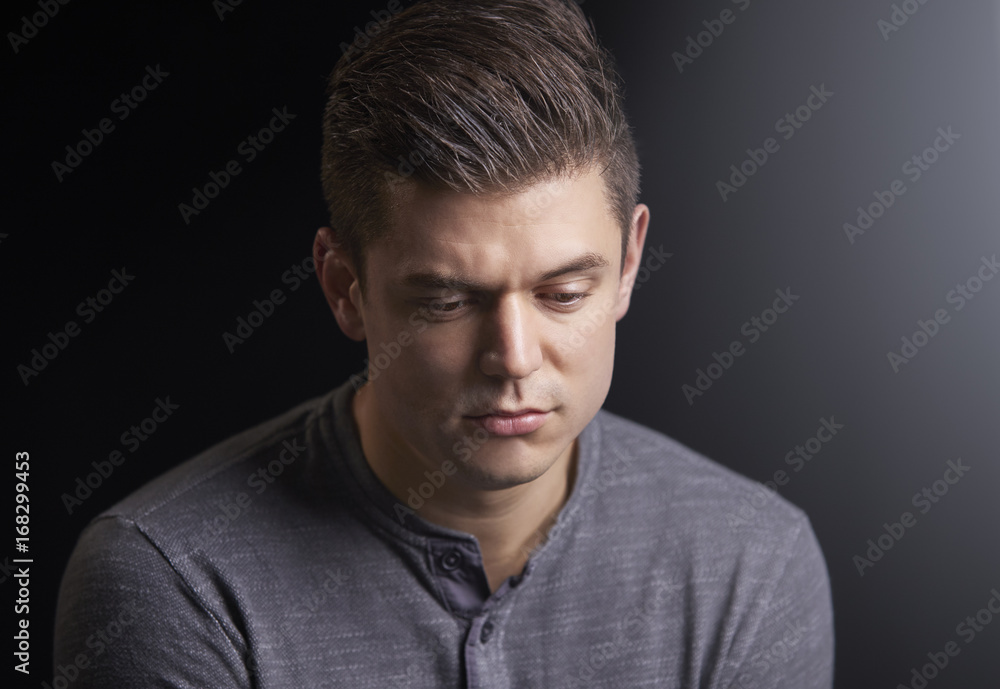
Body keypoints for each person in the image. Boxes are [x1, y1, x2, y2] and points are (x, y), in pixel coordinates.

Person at [53, 1, 834, 686]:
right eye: (448, 301)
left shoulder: (750, 565)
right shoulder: (170, 583)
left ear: (630, 265)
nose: (515, 357)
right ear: (343, 286)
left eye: (564, 293)